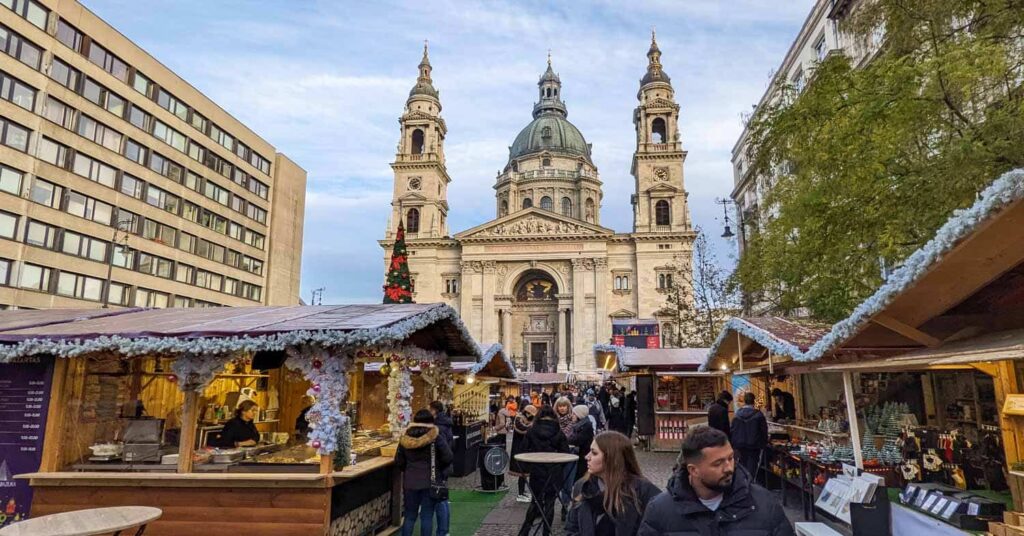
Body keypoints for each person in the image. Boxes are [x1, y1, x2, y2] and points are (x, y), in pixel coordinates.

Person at [638, 426, 793, 536]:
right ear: (693, 470)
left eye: (731, 458)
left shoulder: (764, 503)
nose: (729, 468)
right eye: (717, 463)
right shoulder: (660, 511)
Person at [566, 431, 661, 536]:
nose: (587, 457)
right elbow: (572, 528)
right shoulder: (583, 486)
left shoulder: (643, 490)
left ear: (611, 458)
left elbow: (658, 527)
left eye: (594, 453)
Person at [395, 409, 453, 536]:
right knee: (426, 516)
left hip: (409, 482)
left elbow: (399, 461)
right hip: (429, 482)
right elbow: (448, 457)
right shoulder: (434, 437)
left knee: (410, 516)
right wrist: (438, 468)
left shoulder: (405, 438)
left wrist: (408, 469)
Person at [517, 406, 570, 536]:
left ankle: (525, 531)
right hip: (554, 470)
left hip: (537, 469)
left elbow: (523, 449)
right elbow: (566, 453)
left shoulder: (532, 430)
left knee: (535, 501)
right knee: (550, 502)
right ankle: (546, 533)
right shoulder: (558, 431)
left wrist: (533, 460)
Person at [730, 392, 768, 481]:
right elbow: (764, 431)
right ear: (754, 401)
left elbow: (733, 430)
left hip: (740, 445)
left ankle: (743, 484)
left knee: (743, 465)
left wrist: (734, 444)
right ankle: (750, 485)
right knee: (752, 466)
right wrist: (763, 443)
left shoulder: (737, 415)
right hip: (754, 445)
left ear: (744, 401)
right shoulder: (758, 415)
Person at [428, 400, 453, 536]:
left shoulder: (437, 427)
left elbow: (443, 451)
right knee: (443, 498)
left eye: (430, 409)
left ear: (434, 411)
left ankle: (443, 531)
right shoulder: (446, 423)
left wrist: (440, 466)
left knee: (440, 499)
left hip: (437, 467)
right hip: (442, 466)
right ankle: (444, 531)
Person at [510, 405, 537, 502]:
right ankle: (520, 494)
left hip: (526, 449)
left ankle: (523, 492)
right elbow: (522, 429)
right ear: (527, 412)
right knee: (521, 472)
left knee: (525, 472)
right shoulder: (519, 418)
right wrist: (533, 425)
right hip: (519, 449)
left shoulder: (527, 419)